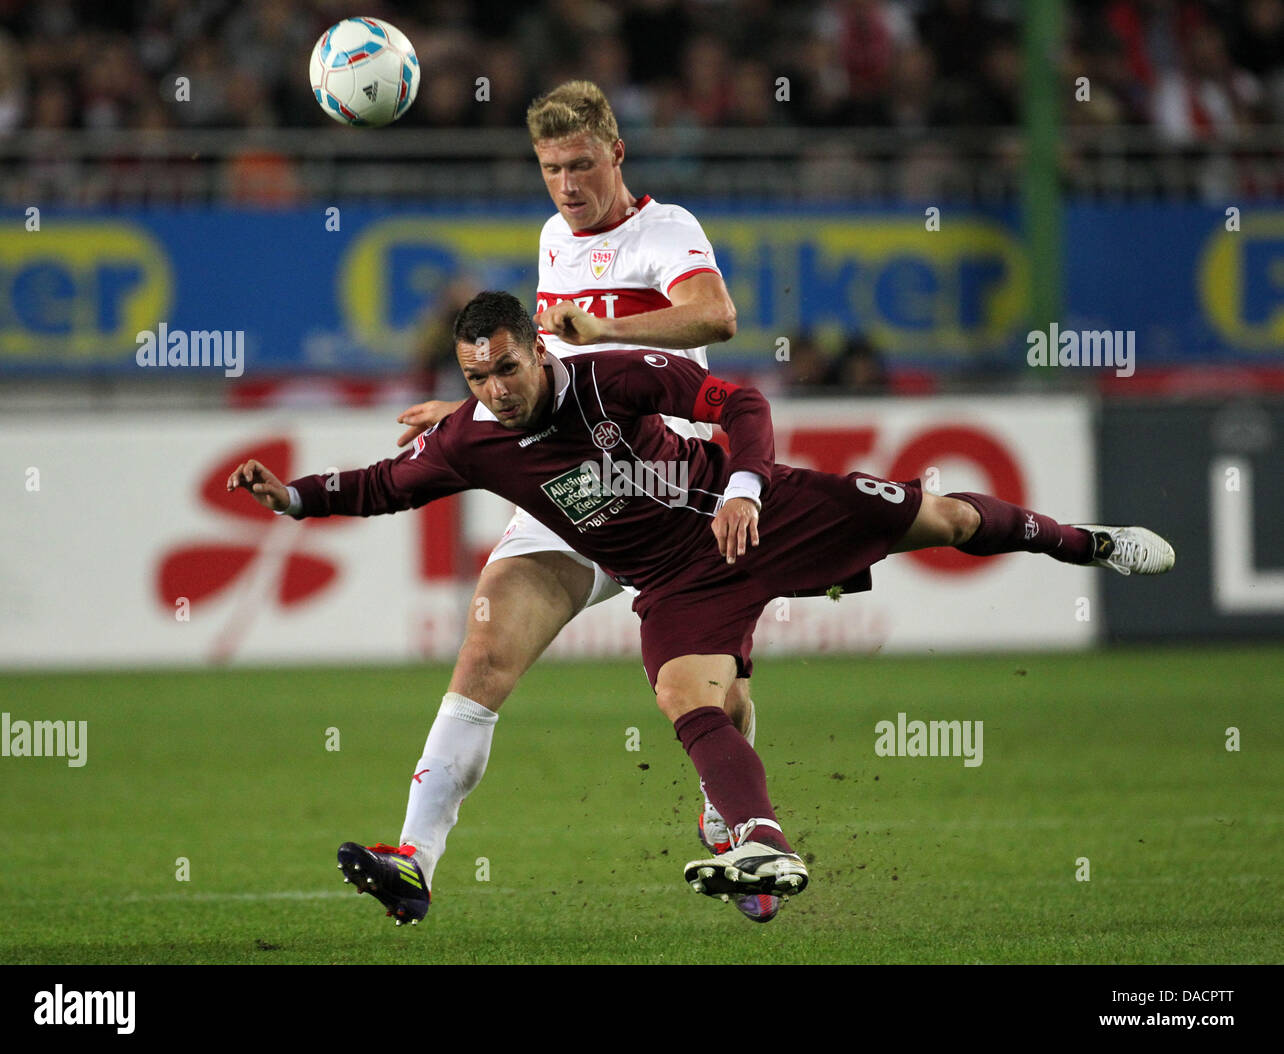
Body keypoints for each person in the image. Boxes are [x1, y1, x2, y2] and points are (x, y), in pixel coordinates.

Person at [227, 291, 1176, 925]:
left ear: (536, 349)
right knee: (689, 700)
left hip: (761, 515)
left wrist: (748, 490)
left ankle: (1092, 544)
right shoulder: (473, 440)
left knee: (947, 514)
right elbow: (384, 485)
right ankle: (762, 841)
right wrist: (296, 498)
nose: (493, 392)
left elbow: (744, 402)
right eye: (475, 379)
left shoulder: (612, 374)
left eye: (506, 370)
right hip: (678, 584)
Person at [389, 81, 775, 919]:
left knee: (715, 697)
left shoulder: (664, 231)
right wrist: (466, 413)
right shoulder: (552, 240)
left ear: (617, 154)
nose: (567, 185)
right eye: (551, 168)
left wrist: (610, 331)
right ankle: (414, 858)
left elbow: (716, 316)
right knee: (484, 652)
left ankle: (731, 815)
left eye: (581, 165)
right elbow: (541, 364)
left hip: (671, 495)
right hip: (570, 491)